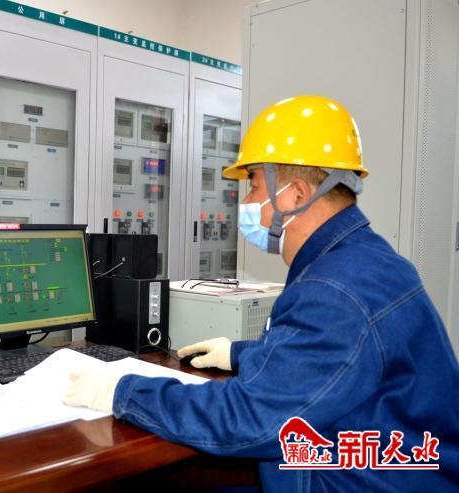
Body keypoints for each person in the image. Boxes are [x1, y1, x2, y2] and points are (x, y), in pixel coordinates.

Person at [63, 95, 459, 491]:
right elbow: (329, 362)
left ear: (296, 195)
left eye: (253, 187)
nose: (247, 203)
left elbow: (250, 420)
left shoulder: (333, 289)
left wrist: (124, 391)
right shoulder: (365, 259)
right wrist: (240, 354)